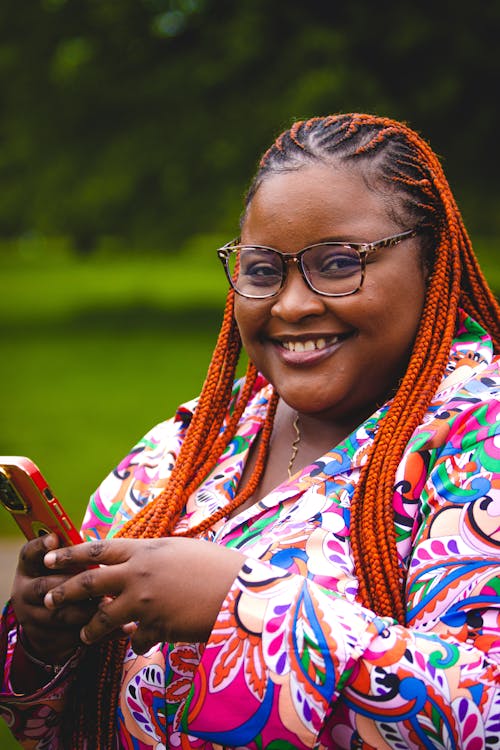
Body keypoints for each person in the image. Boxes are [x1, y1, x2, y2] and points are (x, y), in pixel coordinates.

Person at [0, 113, 499, 749]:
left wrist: (239, 604)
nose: (291, 304)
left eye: (340, 263)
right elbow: (46, 723)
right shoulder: (193, 441)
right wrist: (45, 638)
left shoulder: (477, 441)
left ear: (432, 262)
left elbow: (485, 716)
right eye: (263, 271)